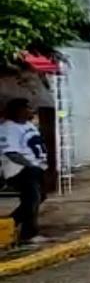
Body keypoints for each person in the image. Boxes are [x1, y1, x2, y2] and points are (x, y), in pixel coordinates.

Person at [0, 98, 48, 243]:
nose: (29, 110)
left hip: (36, 168)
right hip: (20, 170)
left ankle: (21, 228)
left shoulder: (28, 125)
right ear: (18, 111)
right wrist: (30, 165)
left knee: (37, 198)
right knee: (32, 199)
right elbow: (11, 153)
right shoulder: (8, 128)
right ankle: (23, 230)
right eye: (26, 108)